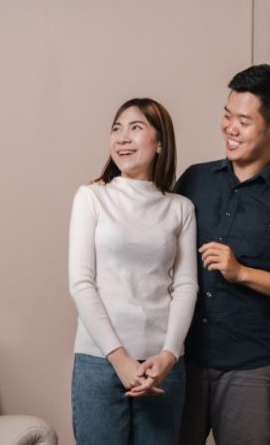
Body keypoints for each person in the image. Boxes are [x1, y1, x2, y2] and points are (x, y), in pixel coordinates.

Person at [176, 64, 270, 445]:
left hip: (250, 368)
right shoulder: (193, 179)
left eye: (243, 121)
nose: (230, 129)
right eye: (227, 116)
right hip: (183, 358)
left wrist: (242, 272)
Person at [68, 97, 199, 445]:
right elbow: (81, 284)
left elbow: (186, 286)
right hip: (99, 361)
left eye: (136, 128)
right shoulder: (91, 197)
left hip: (162, 367)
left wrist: (169, 356)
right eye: (116, 129)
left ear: (160, 143)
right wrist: (120, 360)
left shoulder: (180, 208)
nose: (122, 138)